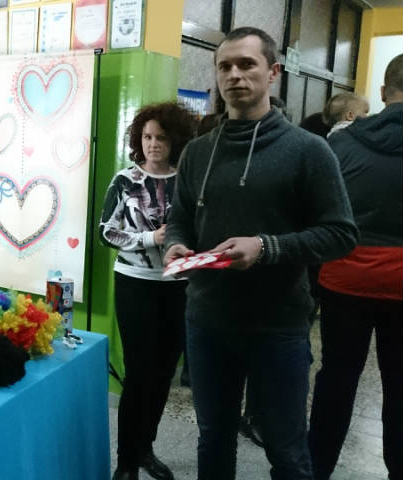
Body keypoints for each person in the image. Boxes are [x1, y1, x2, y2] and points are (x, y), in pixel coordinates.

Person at [164, 26, 358, 479]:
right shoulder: (197, 152)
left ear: (273, 72)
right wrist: (175, 244)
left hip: (278, 327)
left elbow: (340, 234)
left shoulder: (309, 151)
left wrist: (267, 247)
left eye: (246, 64)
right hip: (207, 322)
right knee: (213, 438)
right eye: (225, 66)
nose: (234, 75)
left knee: (287, 450)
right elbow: (180, 218)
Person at [308, 54, 403, 480]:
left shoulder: (341, 143)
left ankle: (316, 469)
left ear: (382, 92)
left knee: (336, 379)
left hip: (343, 279)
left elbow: (316, 210)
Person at [100, 102, 196, 480]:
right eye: (147, 137)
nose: (153, 144)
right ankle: (126, 462)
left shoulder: (186, 180)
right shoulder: (125, 180)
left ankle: (145, 448)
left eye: (161, 138)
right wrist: (149, 238)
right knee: (139, 374)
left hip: (178, 286)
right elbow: (106, 231)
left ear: (176, 141)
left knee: (164, 373)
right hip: (135, 284)